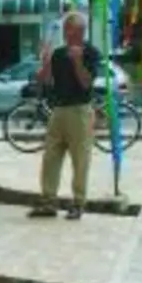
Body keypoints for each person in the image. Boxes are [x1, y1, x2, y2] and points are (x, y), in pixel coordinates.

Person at [30, 12, 101, 220]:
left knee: (80, 159)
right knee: (50, 156)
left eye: (72, 30)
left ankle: (78, 202)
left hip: (80, 110)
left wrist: (78, 61)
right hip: (58, 110)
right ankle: (48, 201)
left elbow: (86, 83)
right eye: (66, 29)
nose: (68, 34)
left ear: (82, 31)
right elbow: (45, 80)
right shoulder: (59, 53)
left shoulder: (91, 52)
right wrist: (45, 62)